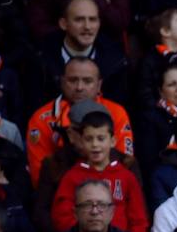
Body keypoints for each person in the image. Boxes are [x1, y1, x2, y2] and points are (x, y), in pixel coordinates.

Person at [26, 59, 134, 187]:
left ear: (99, 85)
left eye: (87, 81)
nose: (79, 87)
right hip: (60, 191)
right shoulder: (41, 118)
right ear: (62, 82)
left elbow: (125, 163)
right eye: (72, 80)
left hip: (110, 191)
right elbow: (39, 177)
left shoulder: (116, 113)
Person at [51, 110, 148, 232]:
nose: (95, 145)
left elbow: (139, 220)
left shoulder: (127, 177)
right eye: (89, 139)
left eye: (101, 139)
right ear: (81, 141)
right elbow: (62, 217)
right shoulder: (72, 177)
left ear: (113, 141)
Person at [38, 0, 129, 105]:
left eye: (92, 19)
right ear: (63, 24)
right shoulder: (40, 60)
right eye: (79, 20)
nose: (87, 26)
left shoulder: (118, 62)